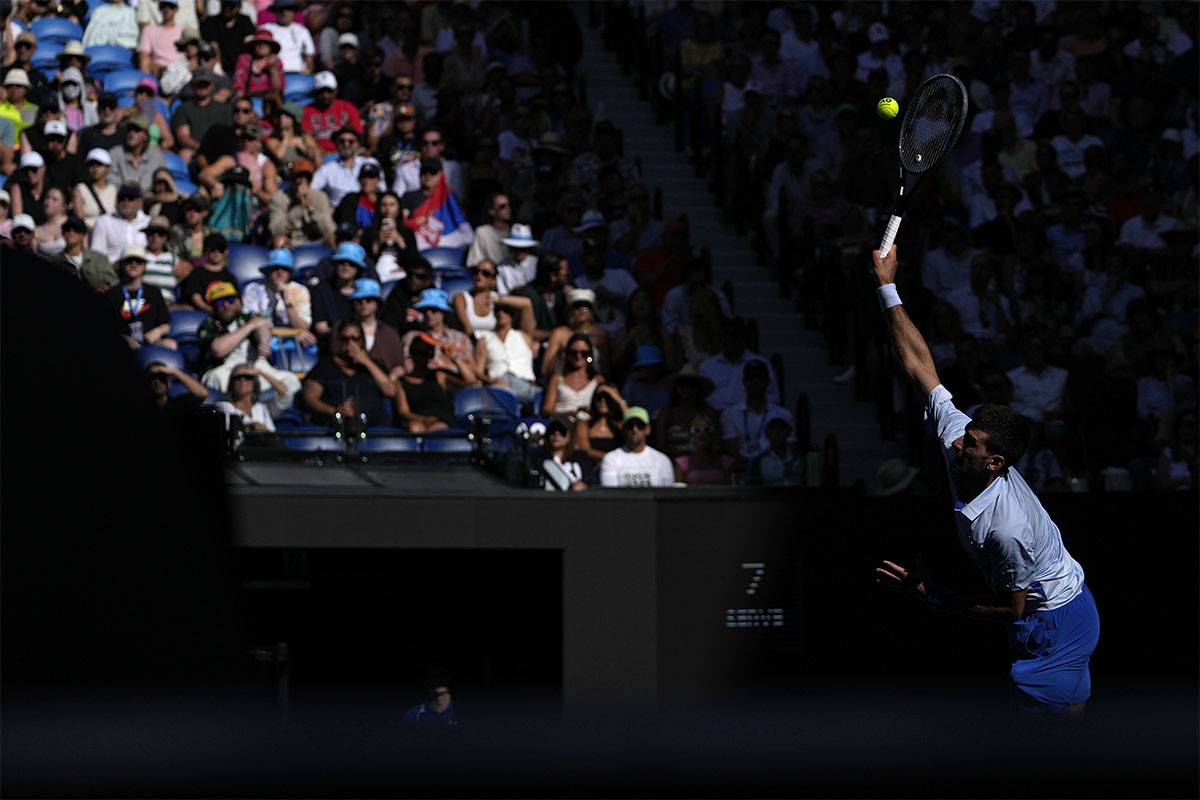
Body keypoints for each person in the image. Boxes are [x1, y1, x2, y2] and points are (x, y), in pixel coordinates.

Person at [871, 244, 1099, 719]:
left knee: (1034, 737)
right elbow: (919, 367)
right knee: (1073, 736)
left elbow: (1015, 614)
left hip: (1052, 622)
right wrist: (887, 286)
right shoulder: (960, 439)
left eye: (970, 444)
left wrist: (936, 599)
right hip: (1073, 607)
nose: (957, 443)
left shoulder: (1005, 529)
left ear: (994, 462)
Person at [196, 279, 302, 404]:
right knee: (221, 380)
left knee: (290, 380)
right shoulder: (209, 325)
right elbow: (218, 350)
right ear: (213, 306)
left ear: (237, 301)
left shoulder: (248, 317)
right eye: (220, 302)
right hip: (224, 369)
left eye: (230, 300)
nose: (226, 305)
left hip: (255, 365)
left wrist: (263, 342)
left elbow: (263, 325)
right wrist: (249, 327)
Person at [300, 317, 398, 430]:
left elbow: (391, 391)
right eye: (345, 339)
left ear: (362, 340)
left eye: (355, 338)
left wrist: (366, 362)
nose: (350, 343)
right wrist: (334, 411)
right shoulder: (324, 366)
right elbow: (310, 399)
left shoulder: (374, 365)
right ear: (338, 341)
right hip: (336, 427)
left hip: (373, 427)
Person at [720, 359, 794, 473]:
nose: (755, 381)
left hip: (777, 470)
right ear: (744, 381)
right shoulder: (730, 414)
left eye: (760, 377)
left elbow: (789, 448)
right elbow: (733, 451)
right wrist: (755, 468)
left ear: (768, 381)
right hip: (745, 471)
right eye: (750, 377)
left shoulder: (783, 415)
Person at [105, 244, 177, 350]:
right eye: (129, 261)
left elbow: (166, 325)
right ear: (122, 265)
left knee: (171, 344)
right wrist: (126, 339)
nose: (134, 264)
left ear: (144, 266)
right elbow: (106, 329)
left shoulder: (153, 292)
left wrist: (158, 331)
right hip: (122, 345)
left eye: (138, 262)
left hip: (151, 343)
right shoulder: (112, 294)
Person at [241, 247, 316, 347]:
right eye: (275, 268)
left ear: (290, 272)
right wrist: (292, 333)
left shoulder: (300, 291)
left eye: (284, 269)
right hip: (260, 342)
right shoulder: (253, 289)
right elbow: (253, 326)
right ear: (268, 270)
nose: (280, 272)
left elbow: (303, 328)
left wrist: (286, 301)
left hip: (292, 342)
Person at [399, 287, 477, 383]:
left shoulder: (461, 339)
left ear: (443, 312)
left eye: (434, 310)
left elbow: (472, 379)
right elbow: (405, 368)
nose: (428, 314)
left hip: (453, 387)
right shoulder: (411, 337)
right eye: (425, 310)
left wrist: (454, 357)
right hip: (420, 386)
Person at [473, 300, 539, 412]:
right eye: (498, 310)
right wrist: (491, 380)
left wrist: (497, 297)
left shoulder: (524, 335)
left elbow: (527, 304)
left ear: (513, 315)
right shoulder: (485, 339)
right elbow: (478, 371)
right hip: (499, 383)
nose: (501, 314)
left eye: (506, 310)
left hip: (525, 383)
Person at [394, 332, 460, 433]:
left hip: (442, 418)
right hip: (418, 419)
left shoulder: (439, 376)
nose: (420, 358)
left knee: (436, 429)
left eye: (424, 354)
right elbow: (404, 411)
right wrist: (423, 419)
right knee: (415, 428)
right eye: (416, 352)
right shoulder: (402, 382)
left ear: (431, 355)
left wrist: (454, 357)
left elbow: (471, 381)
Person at [597, 405, 675, 488]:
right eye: (630, 425)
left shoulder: (662, 460)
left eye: (640, 425)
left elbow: (666, 494)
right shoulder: (611, 459)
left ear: (648, 429)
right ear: (624, 429)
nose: (635, 429)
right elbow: (610, 494)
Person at [267, 158, 337, 248]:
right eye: (299, 177)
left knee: (332, 239)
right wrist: (299, 210)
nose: (302, 181)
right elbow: (274, 229)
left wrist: (311, 208)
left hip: (314, 241)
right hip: (291, 241)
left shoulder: (320, 197)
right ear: (292, 178)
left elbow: (329, 229)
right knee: (279, 240)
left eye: (306, 177)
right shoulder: (279, 198)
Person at [539, 332, 608, 419]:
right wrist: (568, 414)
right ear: (568, 354)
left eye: (583, 353)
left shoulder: (598, 379)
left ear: (589, 355)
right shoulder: (557, 379)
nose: (578, 356)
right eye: (574, 353)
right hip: (562, 423)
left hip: (587, 424)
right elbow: (547, 410)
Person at [214, 362, 292, 434]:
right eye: (238, 377)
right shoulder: (223, 406)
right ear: (231, 383)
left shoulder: (262, 407)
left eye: (247, 377)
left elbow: (285, 394)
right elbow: (230, 427)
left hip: (268, 446)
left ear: (254, 383)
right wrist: (254, 426)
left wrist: (260, 372)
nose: (242, 380)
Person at [53, 214, 119, 292]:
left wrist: (105, 287)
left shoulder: (98, 259)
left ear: (83, 235)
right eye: (67, 230)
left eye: (76, 230)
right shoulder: (55, 261)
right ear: (63, 233)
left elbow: (112, 281)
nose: (71, 232)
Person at [88, 182, 150, 266]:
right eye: (122, 198)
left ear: (140, 202)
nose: (125, 201)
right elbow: (97, 255)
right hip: (112, 271)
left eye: (130, 198)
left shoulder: (148, 222)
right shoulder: (104, 222)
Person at [178, 232, 238, 313]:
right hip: (206, 315)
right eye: (212, 248)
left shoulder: (230, 277)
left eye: (220, 248)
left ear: (226, 251)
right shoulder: (197, 273)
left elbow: (237, 301)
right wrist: (213, 311)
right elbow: (196, 298)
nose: (216, 252)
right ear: (205, 250)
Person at [673, 409, 735, 486]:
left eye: (707, 429)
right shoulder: (681, 463)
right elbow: (678, 495)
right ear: (690, 434)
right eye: (696, 429)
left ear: (714, 432)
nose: (702, 434)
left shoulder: (726, 462)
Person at [744, 410, 804, 487]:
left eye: (782, 427)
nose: (777, 432)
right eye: (772, 428)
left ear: (789, 431)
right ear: (766, 432)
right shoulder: (757, 461)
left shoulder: (801, 458)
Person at [574, 383, 629, 465]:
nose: (603, 401)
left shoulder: (619, 425)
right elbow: (585, 450)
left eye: (607, 398)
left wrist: (617, 397)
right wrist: (611, 458)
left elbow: (631, 419)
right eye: (599, 398)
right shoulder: (584, 424)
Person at [539, 414, 591, 491]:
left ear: (570, 434)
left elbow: (592, 482)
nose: (556, 434)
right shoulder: (536, 459)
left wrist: (583, 486)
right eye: (552, 430)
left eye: (562, 430)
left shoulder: (581, 458)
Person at [144, 357, 210, 414]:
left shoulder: (179, 404)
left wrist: (175, 371)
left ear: (170, 383)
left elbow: (203, 393)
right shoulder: (139, 406)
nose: (157, 382)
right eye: (153, 378)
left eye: (161, 377)